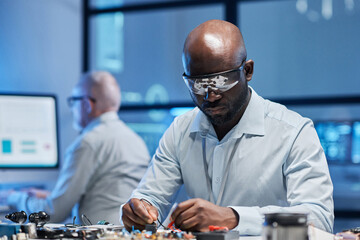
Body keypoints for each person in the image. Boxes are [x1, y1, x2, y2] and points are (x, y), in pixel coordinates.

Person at [121, 20, 334, 235]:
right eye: (198, 84)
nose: (210, 96)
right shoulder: (180, 130)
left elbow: (319, 219)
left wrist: (234, 218)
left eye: (222, 81)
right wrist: (140, 210)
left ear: (248, 71)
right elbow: (151, 197)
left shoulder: (293, 132)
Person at [7, 71, 150, 224]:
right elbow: (107, 193)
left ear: (87, 104)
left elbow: (52, 213)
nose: (72, 108)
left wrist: (13, 197)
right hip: (129, 232)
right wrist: (51, 195)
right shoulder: (136, 141)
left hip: (97, 233)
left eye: (74, 100)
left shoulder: (88, 143)